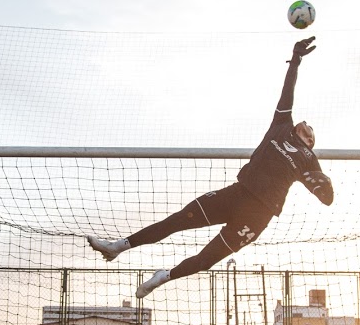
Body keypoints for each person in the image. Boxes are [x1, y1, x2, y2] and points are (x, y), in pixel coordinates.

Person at [87, 36, 334, 298]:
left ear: (311, 143)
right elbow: (288, 91)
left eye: (311, 133)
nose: (307, 128)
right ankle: (117, 247)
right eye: (305, 126)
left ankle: (163, 277)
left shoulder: (309, 158)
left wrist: (325, 186)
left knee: (206, 259)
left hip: (257, 215)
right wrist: (295, 60)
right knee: (177, 221)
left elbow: (326, 199)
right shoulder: (282, 124)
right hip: (236, 194)